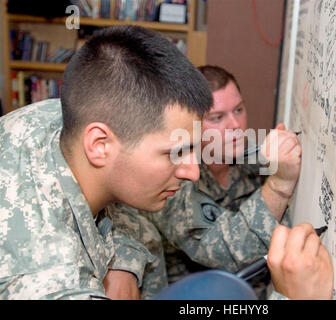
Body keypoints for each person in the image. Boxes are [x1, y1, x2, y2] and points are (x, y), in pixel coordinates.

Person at [0, 25, 213, 299]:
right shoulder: (45, 275)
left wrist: (123, 256)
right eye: (175, 152)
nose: (193, 172)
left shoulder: (63, 117)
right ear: (99, 145)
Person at [104, 66, 325, 299]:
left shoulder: (253, 161)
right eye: (218, 117)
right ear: (191, 126)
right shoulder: (175, 176)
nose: (235, 126)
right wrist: (279, 184)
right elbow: (224, 251)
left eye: (238, 110)